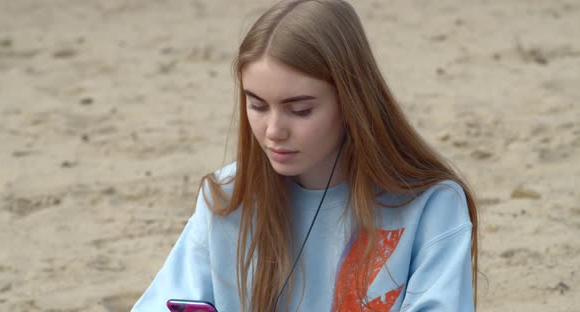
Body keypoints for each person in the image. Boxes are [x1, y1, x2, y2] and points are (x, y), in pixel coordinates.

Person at [132, 0, 479, 311]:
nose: (273, 131)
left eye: (299, 110)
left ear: (352, 102)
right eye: (257, 105)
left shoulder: (431, 205)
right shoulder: (226, 198)